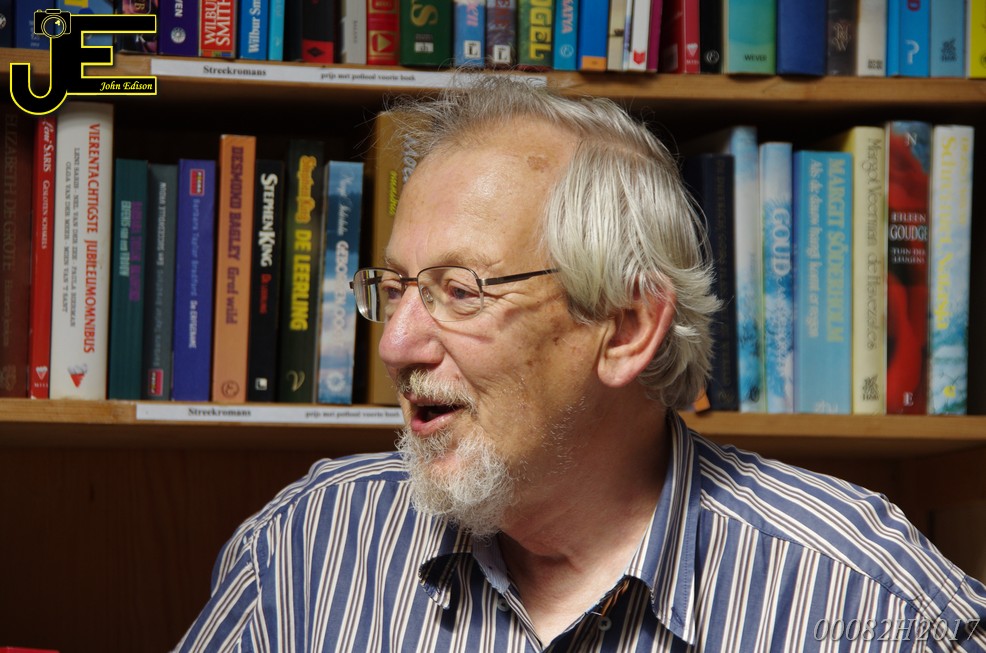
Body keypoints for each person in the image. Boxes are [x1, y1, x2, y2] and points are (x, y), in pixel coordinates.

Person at [175, 76, 986, 652]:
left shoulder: (863, 598)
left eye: (459, 290)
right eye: (395, 289)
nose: (395, 345)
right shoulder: (303, 551)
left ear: (626, 328)